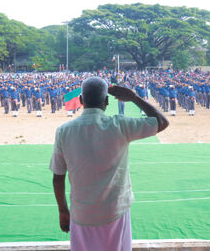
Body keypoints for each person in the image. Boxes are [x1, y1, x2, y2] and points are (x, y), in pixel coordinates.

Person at [49, 77, 169, 251]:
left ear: (81, 100)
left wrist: (63, 211)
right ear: (106, 101)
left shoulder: (64, 131)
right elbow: (162, 122)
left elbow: (58, 177)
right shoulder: (120, 125)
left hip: (81, 213)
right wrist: (134, 97)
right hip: (115, 211)